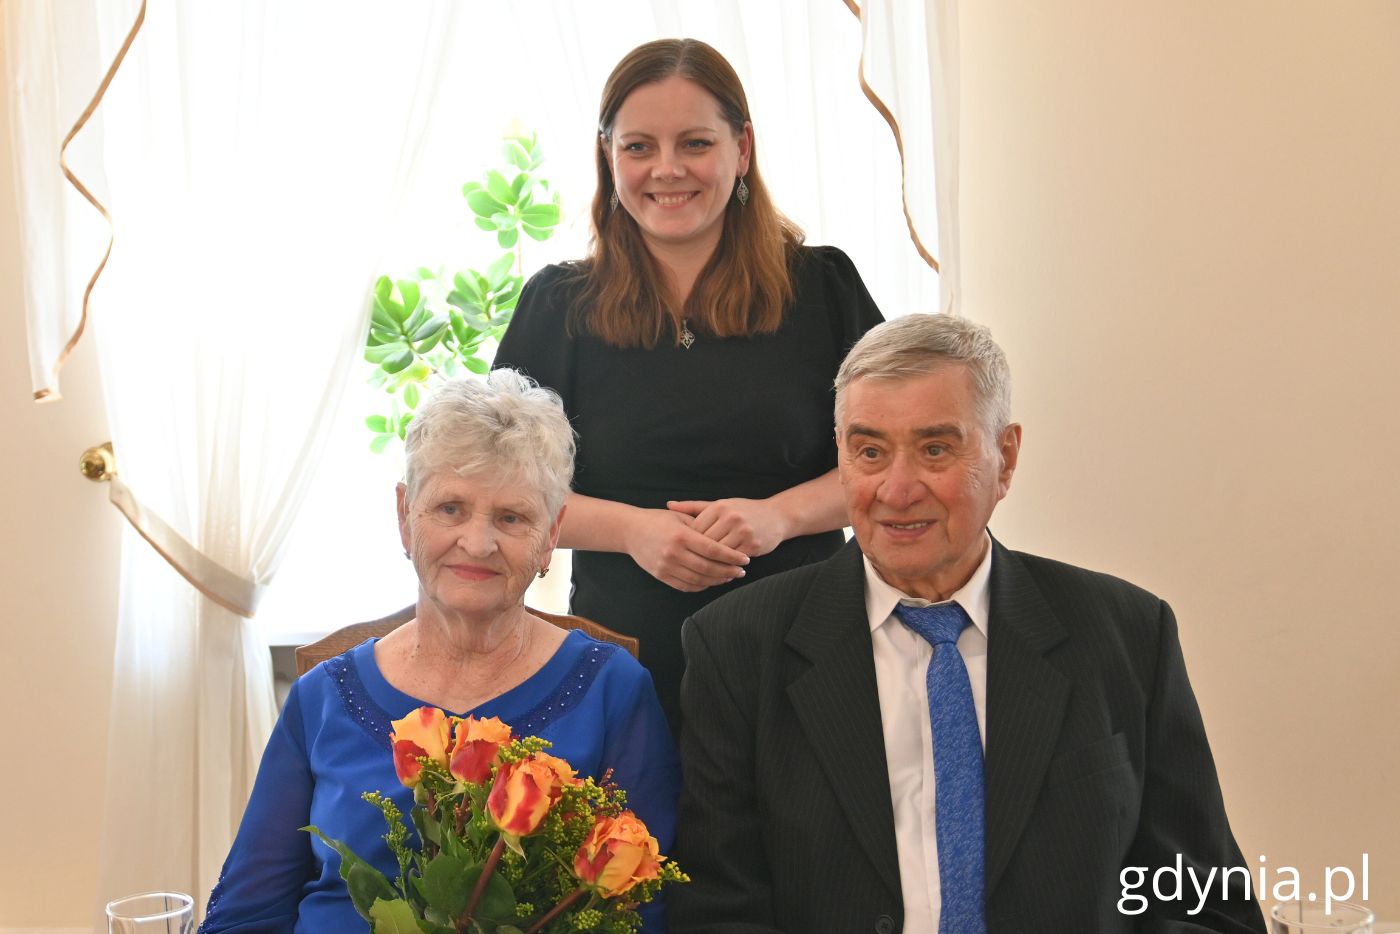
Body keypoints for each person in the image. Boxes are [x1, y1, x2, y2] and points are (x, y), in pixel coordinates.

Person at [668, 314, 1266, 933]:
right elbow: (717, 914)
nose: (897, 490)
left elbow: (1207, 906)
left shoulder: (1128, 634)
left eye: (935, 449)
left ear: (1005, 459)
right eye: (870, 452)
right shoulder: (737, 646)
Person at [493, 38, 884, 729]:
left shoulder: (824, 289)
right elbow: (500, 493)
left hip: (806, 657)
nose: (667, 169)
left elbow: (888, 464)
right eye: (639, 147)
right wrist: (632, 530)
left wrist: (779, 516)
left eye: (695, 143)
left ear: (743, 148)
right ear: (608, 156)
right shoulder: (557, 306)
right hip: (621, 668)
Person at [199, 370, 678, 933]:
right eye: (450, 508)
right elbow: (245, 915)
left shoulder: (611, 691)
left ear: (551, 535)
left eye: (512, 517)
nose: (477, 542)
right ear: (405, 516)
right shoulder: (320, 699)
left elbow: (639, 915)